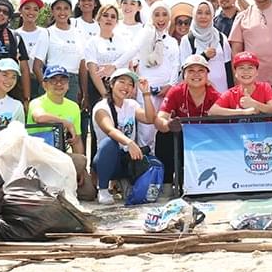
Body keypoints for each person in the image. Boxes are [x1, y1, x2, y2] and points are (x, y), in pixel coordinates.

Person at [27, 64, 95, 201]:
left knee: (88, 192)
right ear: (45, 85)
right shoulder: (37, 102)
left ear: (68, 85)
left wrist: (80, 169)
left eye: (63, 80)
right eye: (53, 80)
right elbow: (39, 117)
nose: (59, 84)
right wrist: (66, 123)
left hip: (61, 156)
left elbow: (77, 140)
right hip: (37, 156)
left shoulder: (73, 107)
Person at [91, 68, 156, 205]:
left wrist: (146, 94)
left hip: (127, 159)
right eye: (122, 82)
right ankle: (102, 189)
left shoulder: (131, 104)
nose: (126, 87)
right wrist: (129, 142)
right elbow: (109, 129)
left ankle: (124, 182)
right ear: (111, 84)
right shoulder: (101, 107)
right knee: (110, 143)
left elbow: (150, 118)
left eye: (130, 84)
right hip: (107, 161)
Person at [155, 54, 222, 187]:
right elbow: (159, 119)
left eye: (201, 70)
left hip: (205, 140)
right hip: (182, 138)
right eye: (191, 70)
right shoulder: (176, 92)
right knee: (164, 135)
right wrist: (168, 125)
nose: (196, 75)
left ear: (207, 75)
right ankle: (167, 183)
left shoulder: (215, 95)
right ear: (184, 75)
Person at [128, 1, 180, 148]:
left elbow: (176, 65)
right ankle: (147, 167)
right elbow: (133, 60)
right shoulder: (144, 37)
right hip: (146, 92)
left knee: (163, 131)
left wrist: (170, 85)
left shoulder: (172, 41)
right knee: (146, 132)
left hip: (165, 93)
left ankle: (161, 168)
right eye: (157, 14)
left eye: (164, 14)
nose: (161, 19)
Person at [34, 0, 87, 106]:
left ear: (70, 11)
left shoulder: (79, 34)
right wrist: (46, 86)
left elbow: (82, 66)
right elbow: (37, 66)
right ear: (52, 11)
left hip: (72, 84)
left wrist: (84, 92)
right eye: (58, 8)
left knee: (69, 120)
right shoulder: (47, 33)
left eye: (66, 8)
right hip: (52, 80)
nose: (62, 12)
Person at [180, 0, 233, 92]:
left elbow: (228, 67)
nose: (203, 16)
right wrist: (204, 56)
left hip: (222, 91)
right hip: (198, 93)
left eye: (207, 13)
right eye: (199, 13)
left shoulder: (221, 37)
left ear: (212, 15)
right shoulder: (188, 40)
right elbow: (185, 68)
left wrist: (231, 92)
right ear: (194, 15)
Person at [209, 51, 272, 116]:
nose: (246, 71)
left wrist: (254, 104)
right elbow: (212, 111)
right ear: (235, 73)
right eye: (241, 68)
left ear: (257, 72)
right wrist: (243, 112)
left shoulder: (265, 87)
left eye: (250, 68)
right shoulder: (231, 93)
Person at [14, 0, 47, 99]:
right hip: (18, 82)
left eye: (35, 9)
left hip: (40, 81)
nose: (31, 12)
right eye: (27, 8)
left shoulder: (44, 32)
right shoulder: (14, 34)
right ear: (20, 11)